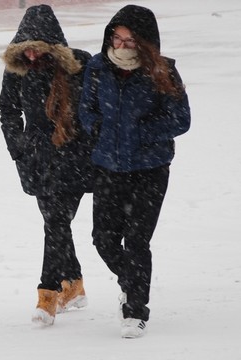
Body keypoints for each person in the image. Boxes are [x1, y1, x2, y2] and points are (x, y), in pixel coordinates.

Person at [79, 5, 191, 338]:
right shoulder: (98, 67)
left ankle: (135, 310)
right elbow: (86, 110)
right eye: (118, 37)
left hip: (150, 168)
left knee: (137, 241)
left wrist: (136, 133)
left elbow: (180, 119)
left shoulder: (163, 71)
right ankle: (132, 284)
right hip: (108, 167)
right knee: (104, 240)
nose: (123, 44)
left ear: (144, 41)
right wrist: (100, 130)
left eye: (130, 39)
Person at [0, 4, 93, 326]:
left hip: (76, 157)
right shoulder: (18, 70)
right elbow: (7, 110)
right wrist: (19, 147)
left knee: (55, 224)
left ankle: (47, 294)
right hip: (37, 159)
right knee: (57, 225)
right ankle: (74, 285)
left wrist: (92, 143)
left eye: (38, 50)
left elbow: (99, 107)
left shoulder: (80, 65)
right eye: (26, 51)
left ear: (53, 45)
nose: (32, 57)